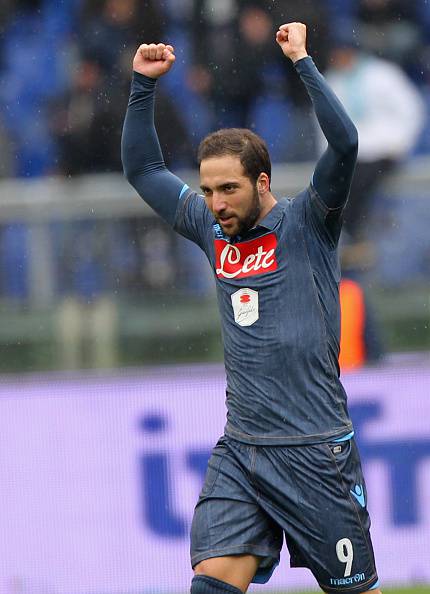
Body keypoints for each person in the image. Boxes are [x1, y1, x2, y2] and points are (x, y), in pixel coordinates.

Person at [122, 22, 382, 594]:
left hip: (316, 451)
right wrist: (142, 86)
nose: (215, 204)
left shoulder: (309, 222)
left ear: (261, 181)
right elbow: (144, 169)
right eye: (208, 190)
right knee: (211, 582)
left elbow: (345, 145)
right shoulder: (211, 231)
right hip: (244, 450)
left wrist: (302, 62)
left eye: (229, 190)